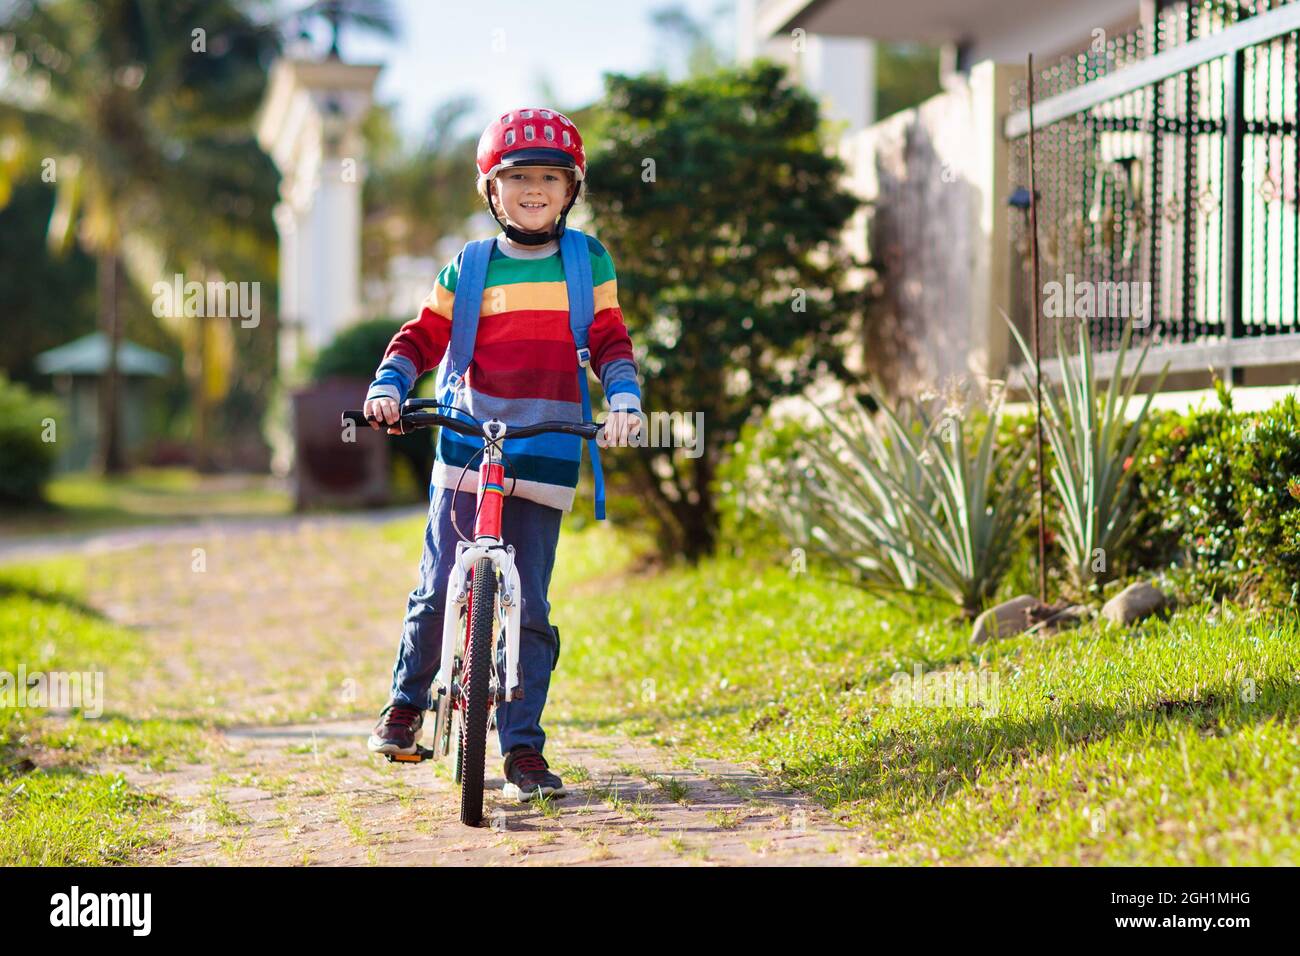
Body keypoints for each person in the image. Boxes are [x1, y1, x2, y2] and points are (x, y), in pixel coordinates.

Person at [362, 107, 643, 801]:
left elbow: (609, 339)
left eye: (551, 177)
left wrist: (626, 400)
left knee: (532, 608)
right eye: (518, 178)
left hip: (546, 448)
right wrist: (391, 385)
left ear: (571, 187)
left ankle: (521, 749)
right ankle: (405, 705)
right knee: (435, 587)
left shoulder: (588, 260)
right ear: (492, 189)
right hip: (468, 442)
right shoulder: (471, 265)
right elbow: (422, 335)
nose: (535, 189)